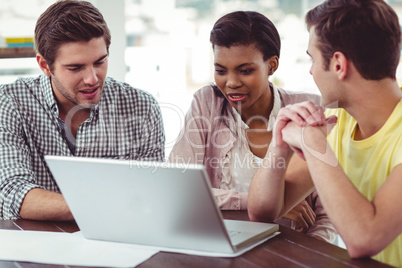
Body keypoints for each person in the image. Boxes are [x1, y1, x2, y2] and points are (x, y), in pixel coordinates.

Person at [248, 0, 402, 266]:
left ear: (339, 64)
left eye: (313, 59)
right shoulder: (340, 122)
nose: (311, 71)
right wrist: (279, 144)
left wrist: (311, 142)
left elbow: (364, 239)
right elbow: (262, 211)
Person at [169, 11, 337, 243]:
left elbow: (328, 214)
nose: (231, 83)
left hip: (294, 249)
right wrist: (266, 202)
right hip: (221, 243)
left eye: (245, 70)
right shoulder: (207, 102)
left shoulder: (308, 108)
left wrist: (309, 253)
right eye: (220, 70)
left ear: (272, 65)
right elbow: (179, 190)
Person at [0, 0, 165, 221]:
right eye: (76, 68)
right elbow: (13, 193)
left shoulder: (142, 106)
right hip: (35, 248)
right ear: (45, 66)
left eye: (100, 62)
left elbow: (151, 195)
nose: (92, 79)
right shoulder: (10, 103)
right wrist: (112, 202)